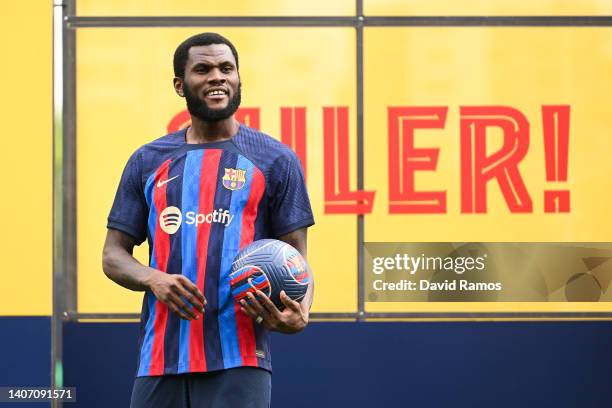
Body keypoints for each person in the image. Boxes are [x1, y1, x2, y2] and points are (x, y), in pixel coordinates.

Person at [102, 32, 315, 408]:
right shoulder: (147, 160)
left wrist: (301, 313)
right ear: (180, 85)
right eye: (203, 69)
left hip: (240, 359)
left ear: (238, 80)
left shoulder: (276, 159)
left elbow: (298, 260)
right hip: (159, 360)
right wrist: (154, 278)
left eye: (226, 68)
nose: (217, 76)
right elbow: (113, 256)